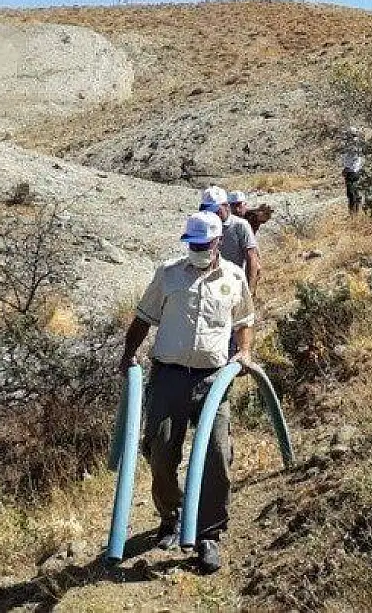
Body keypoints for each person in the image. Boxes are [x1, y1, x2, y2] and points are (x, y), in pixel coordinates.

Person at [118, 211, 256, 574]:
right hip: (169, 376)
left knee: (216, 454)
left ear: (217, 243)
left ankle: (208, 533)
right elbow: (143, 317)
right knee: (161, 450)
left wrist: (243, 352)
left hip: (213, 380)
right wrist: (128, 355)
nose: (197, 250)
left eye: (203, 244)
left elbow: (244, 322)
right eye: (191, 244)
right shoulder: (168, 274)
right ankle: (172, 515)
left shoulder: (233, 277)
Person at [199, 186, 260, 292]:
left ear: (227, 206)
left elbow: (252, 258)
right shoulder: (203, 224)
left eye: (216, 210)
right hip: (207, 284)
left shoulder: (240, 225)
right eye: (208, 210)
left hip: (232, 283)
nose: (212, 214)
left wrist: (249, 290)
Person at [340, 127, 366, 214]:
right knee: (354, 192)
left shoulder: (353, 144)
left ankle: (353, 214)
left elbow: (354, 159)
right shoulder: (356, 143)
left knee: (351, 193)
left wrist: (347, 168)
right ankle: (355, 213)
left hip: (352, 171)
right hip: (354, 171)